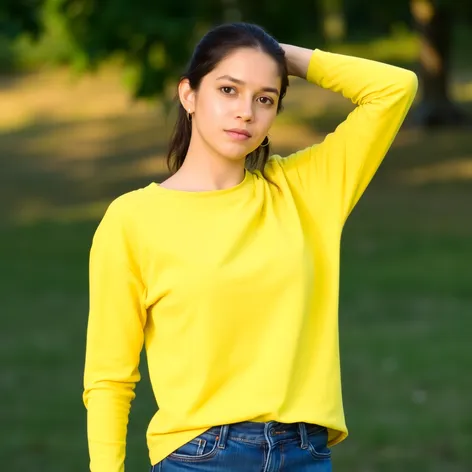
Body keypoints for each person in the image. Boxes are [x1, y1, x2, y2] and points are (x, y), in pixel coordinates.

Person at [83, 22, 418, 472]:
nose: (246, 112)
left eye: (265, 99)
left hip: (305, 453)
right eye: (228, 89)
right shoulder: (132, 220)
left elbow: (395, 88)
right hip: (199, 456)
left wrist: (287, 58)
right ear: (189, 96)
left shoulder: (305, 191)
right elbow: (109, 377)